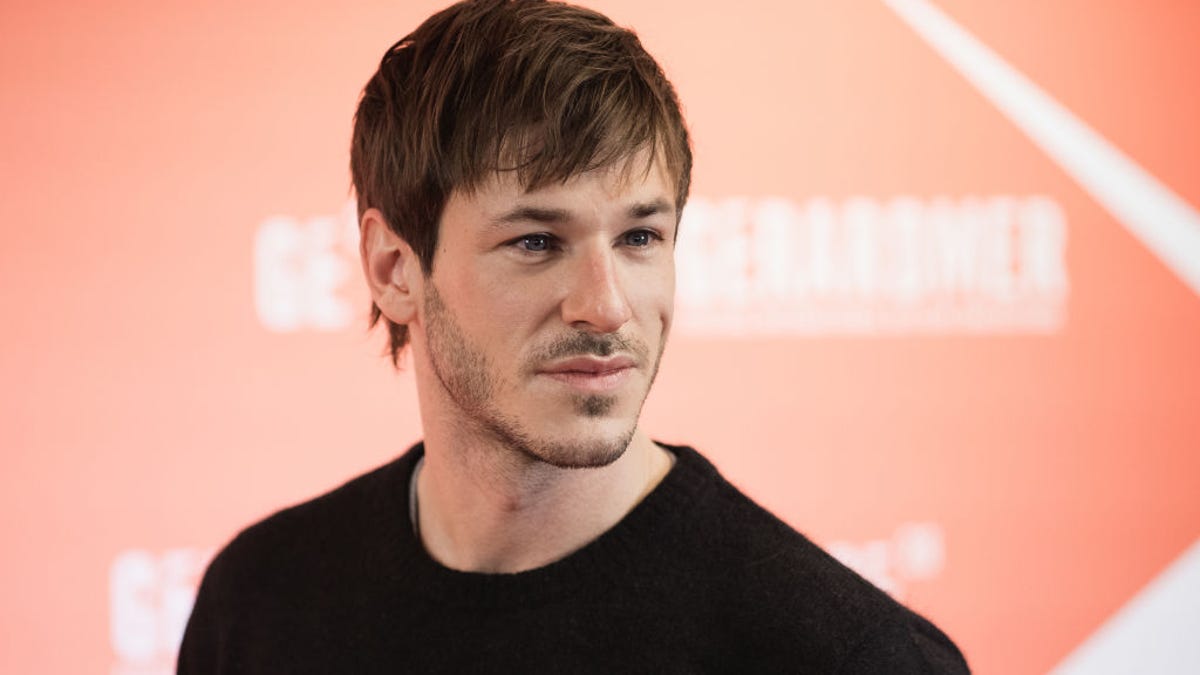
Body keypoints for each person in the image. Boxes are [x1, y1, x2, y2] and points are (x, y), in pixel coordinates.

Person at [179, 0, 970, 672]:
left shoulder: (844, 654)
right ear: (394, 268)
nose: (607, 306)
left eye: (640, 239)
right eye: (536, 242)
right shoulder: (259, 603)